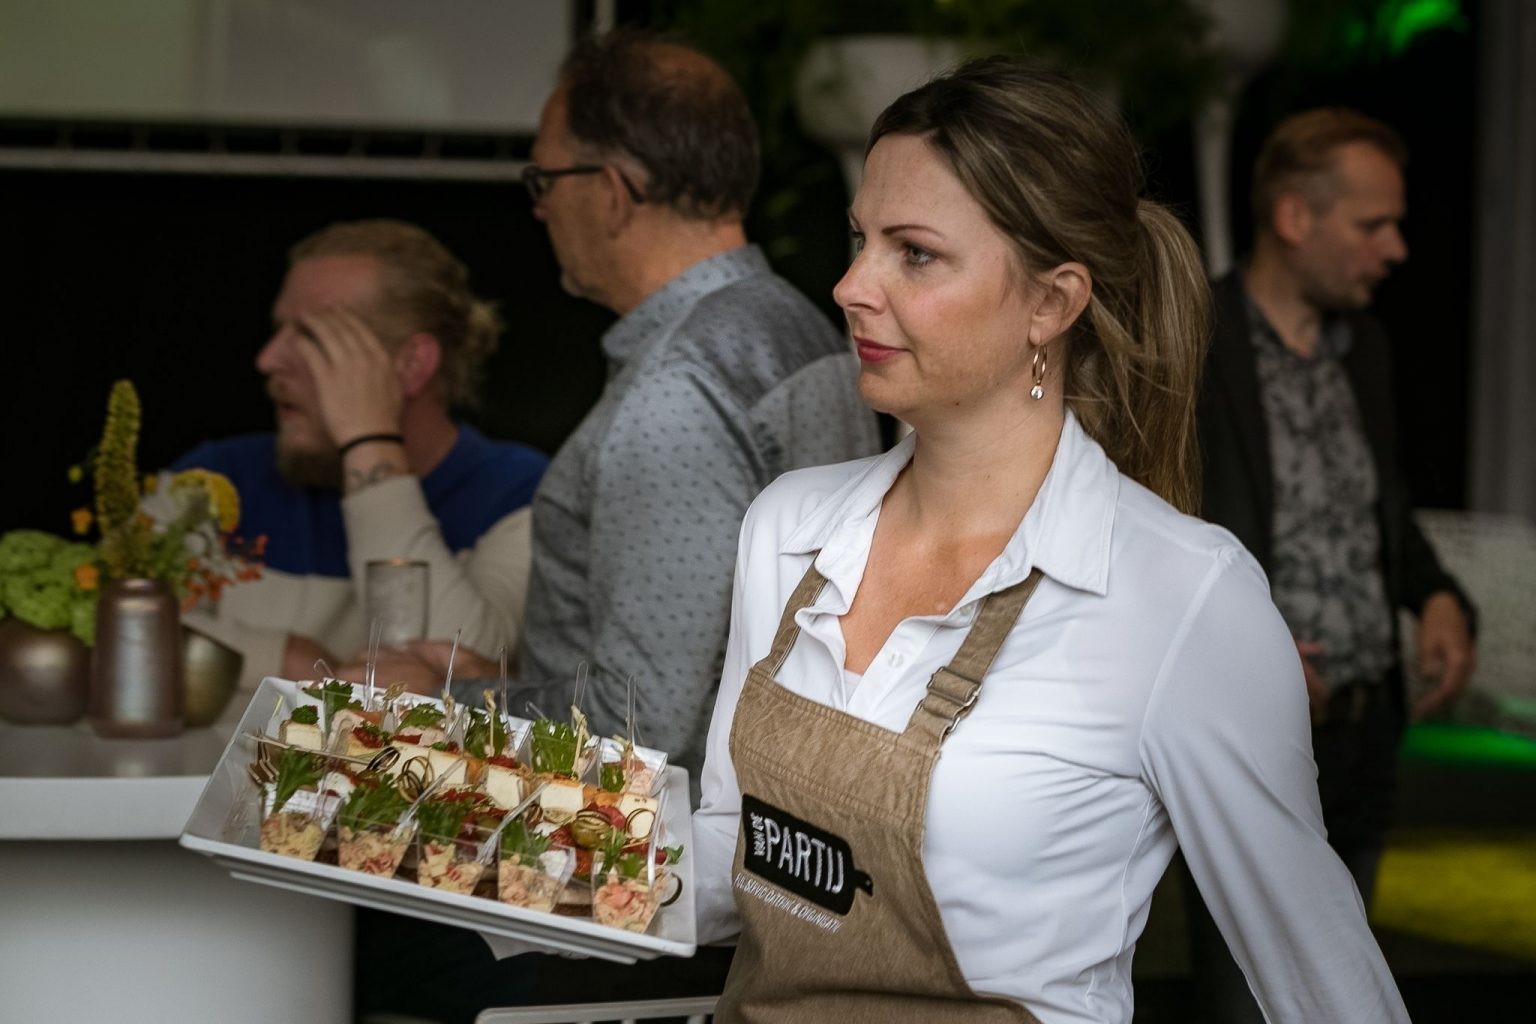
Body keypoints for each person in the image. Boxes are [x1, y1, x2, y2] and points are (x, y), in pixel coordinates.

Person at [691, 59, 1409, 1022]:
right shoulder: (789, 528)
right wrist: (507, 851)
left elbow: (1326, 987)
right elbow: (731, 856)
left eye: (915, 253)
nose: (851, 285)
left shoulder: (1180, 596)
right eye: (862, 240)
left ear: (1051, 303)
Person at [352, 31, 878, 1024]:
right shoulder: (795, 326)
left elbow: (643, 725)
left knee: (351, 951)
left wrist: (444, 696)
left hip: (618, 900)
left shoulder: (678, 390)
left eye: (545, 179)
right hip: (760, 881)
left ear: (615, 189)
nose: (539, 203)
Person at [1188, 108, 1477, 1022]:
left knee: (1346, 998)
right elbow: (1166, 533)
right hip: (1255, 733)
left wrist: (1433, 594)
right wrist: (1253, 655)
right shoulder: (1202, 346)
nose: (1395, 248)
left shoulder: (1367, 351)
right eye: (1373, 224)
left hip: (1364, 733)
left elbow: (1378, 509)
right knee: (1248, 1000)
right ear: (1294, 217)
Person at [176, 220, 548, 694]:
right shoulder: (215, 481)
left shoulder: (520, 495)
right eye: (278, 330)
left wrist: (369, 439)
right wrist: (284, 659)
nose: (268, 359)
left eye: (311, 336)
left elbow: (447, 676)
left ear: (412, 364)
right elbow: (99, 627)